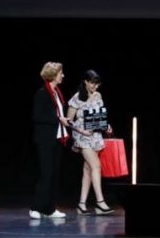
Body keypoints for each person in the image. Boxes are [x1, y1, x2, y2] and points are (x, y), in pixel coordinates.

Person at [66, 69, 114, 215]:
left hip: (96, 136)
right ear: (85, 82)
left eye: (97, 84)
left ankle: (81, 204)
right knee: (96, 166)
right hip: (82, 137)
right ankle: (100, 202)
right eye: (92, 83)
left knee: (87, 170)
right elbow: (68, 121)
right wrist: (81, 131)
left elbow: (100, 115)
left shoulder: (98, 95)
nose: (95, 86)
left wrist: (107, 125)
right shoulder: (76, 98)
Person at [30, 62, 70, 219]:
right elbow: (37, 116)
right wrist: (58, 119)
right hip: (45, 140)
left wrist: (62, 119)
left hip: (57, 139)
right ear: (53, 75)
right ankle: (36, 207)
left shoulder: (56, 93)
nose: (63, 75)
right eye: (61, 73)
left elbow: (58, 114)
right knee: (46, 174)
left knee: (54, 174)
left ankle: (50, 209)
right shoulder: (42, 93)